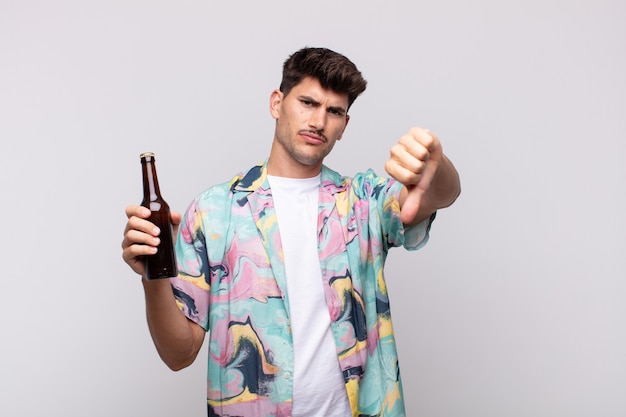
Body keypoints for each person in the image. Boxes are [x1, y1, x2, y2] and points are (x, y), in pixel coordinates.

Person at [122, 47, 460, 417]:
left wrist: (435, 166)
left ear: (345, 125)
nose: (319, 121)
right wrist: (153, 277)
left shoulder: (362, 203)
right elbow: (178, 354)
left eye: (334, 111)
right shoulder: (214, 212)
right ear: (276, 103)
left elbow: (439, 194)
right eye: (308, 103)